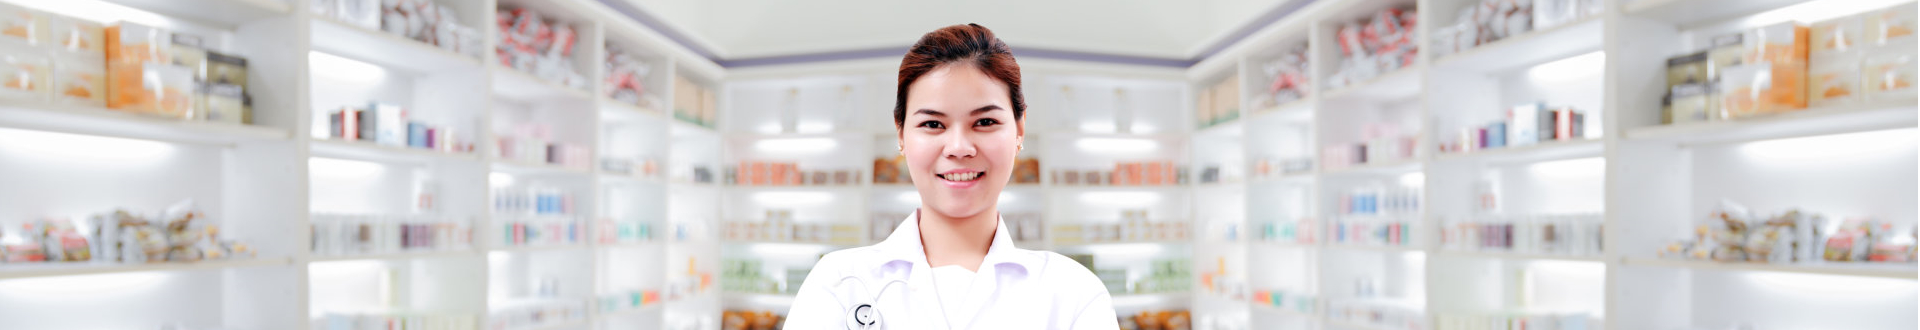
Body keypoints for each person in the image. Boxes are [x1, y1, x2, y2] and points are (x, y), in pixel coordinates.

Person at [782, 23, 1119, 330]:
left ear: (1019, 129)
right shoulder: (840, 283)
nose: (959, 147)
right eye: (933, 124)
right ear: (901, 134)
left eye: (985, 122)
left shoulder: (1073, 293)